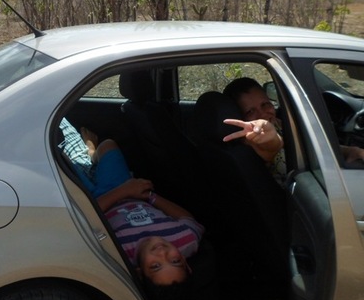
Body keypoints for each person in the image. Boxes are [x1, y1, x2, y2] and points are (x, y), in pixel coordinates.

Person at [58, 119, 204, 286]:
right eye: (175, 261)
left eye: (155, 266)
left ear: (139, 273)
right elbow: (187, 218)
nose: (163, 253)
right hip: (126, 190)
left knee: (59, 154)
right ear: (186, 263)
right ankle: (92, 155)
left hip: (91, 202)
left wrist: (125, 190)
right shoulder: (185, 240)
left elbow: (83, 218)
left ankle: (86, 156)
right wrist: (150, 196)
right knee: (108, 145)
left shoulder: (121, 254)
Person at [223, 77, 364, 174]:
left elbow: (308, 144)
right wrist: (274, 143)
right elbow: (272, 147)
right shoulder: (251, 138)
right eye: (250, 111)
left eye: (265, 104)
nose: (263, 114)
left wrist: (350, 151)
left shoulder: (276, 123)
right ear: (239, 116)